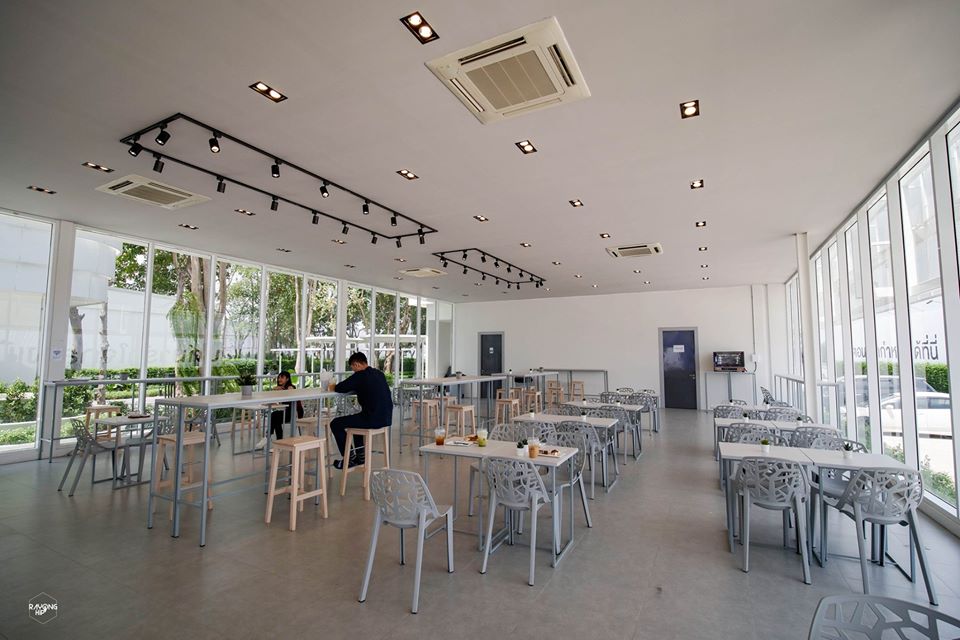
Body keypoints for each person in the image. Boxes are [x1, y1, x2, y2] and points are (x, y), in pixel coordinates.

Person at [330, 352, 393, 469]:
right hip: (386, 418)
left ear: (357, 364)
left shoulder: (360, 375)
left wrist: (332, 385)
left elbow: (340, 387)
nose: (353, 371)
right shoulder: (379, 374)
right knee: (356, 423)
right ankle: (360, 458)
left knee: (335, 423)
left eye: (352, 368)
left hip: (372, 419)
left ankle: (349, 459)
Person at [255, 371, 303, 450]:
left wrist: (281, 390)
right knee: (275, 417)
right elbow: (280, 402)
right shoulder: (280, 388)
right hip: (285, 412)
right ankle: (277, 443)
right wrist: (271, 402)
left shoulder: (290, 387)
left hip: (293, 413)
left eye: (282, 377)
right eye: (279, 377)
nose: (279, 379)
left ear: (287, 379)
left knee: (274, 415)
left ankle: (268, 437)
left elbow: (290, 395)